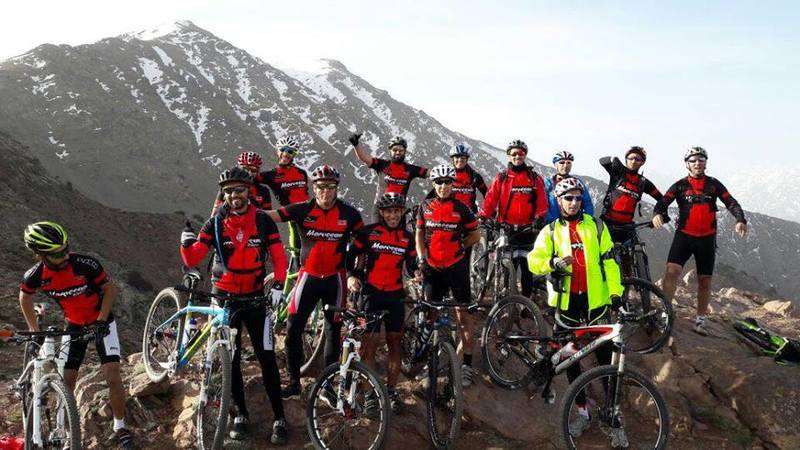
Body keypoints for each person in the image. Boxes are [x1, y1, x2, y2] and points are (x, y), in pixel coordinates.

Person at [180, 167, 288, 444]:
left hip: (255, 299)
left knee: (266, 358)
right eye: (228, 191)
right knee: (232, 358)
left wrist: (277, 286)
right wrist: (186, 242)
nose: (234, 196)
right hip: (224, 298)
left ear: (249, 191)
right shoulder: (215, 222)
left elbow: (278, 257)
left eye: (239, 190)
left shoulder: (263, 221)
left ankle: (279, 417)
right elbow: (193, 259)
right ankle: (240, 414)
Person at [19, 221, 134, 448]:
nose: (64, 256)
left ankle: (120, 427)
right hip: (74, 326)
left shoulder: (84, 263)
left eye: (65, 249)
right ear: (40, 254)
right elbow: (24, 297)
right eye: (56, 254)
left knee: (112, 375)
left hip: (102, 322)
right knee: (67, 381)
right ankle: (64, 429)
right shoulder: (35, 275)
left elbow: (109, 288)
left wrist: (101, 319)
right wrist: (34, 330)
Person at [527, 178, 623, 439]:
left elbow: (610, 262)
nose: (573, 202)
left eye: (578, 198)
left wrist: (616, 292)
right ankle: (582, 412)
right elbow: (533, 261)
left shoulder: (597, 226)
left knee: (605, 356)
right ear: (558, 201)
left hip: (597, 301)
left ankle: (613, 415)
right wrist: (553, 262)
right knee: (571, 359)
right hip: (566, 302)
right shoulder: (550, 231)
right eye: (568, 198)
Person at [264, 165, 364, 399]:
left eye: (330, 188)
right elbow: (272, 216)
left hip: (335, 279)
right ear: (314, 188)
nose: (326, 193)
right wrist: (243, 209)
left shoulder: (350, 214)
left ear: (337, 188)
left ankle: (327, 384)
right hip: (308, 276)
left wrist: (354, 273)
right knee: (293, 329)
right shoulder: (302, 210)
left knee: (332, 330)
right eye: (321, 188)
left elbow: (363, 243)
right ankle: (294, 383)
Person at [652, 147, 747, 336]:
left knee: (704, 281)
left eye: (701, 160)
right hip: (684, 236)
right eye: (694, 160)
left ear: (706, 162)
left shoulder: (714, 185)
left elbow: (731, 202)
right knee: (671, 273)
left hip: (707, 239)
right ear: (687, 164)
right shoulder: (679, 186)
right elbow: (663, 203)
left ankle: (701, 320)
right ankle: (666, 313)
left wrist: (740, 219)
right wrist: (657, 214)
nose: (698, 163)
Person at [348, 192, 419, 413]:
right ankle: (369, 394)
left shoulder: (407, 238)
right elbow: (350, 257)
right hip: (371, 294)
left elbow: (411, 264)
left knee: (394, 344)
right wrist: (352, 276)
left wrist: (417, 273)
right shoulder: (368, 233)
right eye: (388, 211)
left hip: (395, 295)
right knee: (370, 343)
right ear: (382, 213)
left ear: (401, 213)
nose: (393, 215)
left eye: (397, 211)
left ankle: (390, 391)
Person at [417, 164, 481, 387]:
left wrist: (461, 246)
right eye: (439, 182)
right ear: (433, 184)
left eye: (447, 182)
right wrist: (421, 257)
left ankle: (467, 365)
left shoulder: (462, 208)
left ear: (453, 184)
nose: (443, 186)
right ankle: (427, 360)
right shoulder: (425, 206)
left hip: (456, 267)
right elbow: (419, 231)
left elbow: (476, 234)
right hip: (433, 268)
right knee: (429, 315)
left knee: (464, 315)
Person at [479, 139, 548, 298]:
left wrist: (539, 218)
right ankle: (506, 303)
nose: (518, 156)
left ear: (525, 156)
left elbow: (542, 202)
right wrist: (483, 216)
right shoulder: (502, 178)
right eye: (514, 154)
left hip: (528, 230)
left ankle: (526, 303)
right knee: (507, 268)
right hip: (507, 229)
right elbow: (490, 200)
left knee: (526, 269)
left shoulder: (534, 177)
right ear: (509, 156)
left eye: (521, 153)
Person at [598, 146, 663, 275]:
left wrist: (658, 214)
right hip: (607, 222)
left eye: (638, 159)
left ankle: (630, 286)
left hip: (626, 225)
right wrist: (613, 159)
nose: (634, 161)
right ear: (626, 159)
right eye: (631, 158)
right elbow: (602, 161)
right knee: (601, 255)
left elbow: (662, 199)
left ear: (643, 162)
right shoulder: (617, 172)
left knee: (627, 258)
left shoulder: (643, 182)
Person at [259, 136, 310, 251]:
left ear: (294, 155)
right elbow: (251, 178)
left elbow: (306, 193)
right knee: (297, 242)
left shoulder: (302, 173)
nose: (286, 154)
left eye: (290, 151)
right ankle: (296, 264)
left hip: (309, 211)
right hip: (291, 214)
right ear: (277, 151)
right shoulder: (271, 175)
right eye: (282, 150)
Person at [349, 132, 428, 203]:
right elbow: (364, 158)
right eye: (395, 150)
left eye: (401, 150)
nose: (398, 152)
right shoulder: (381, 164)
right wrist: (356, 145)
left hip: (399, 210)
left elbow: (430, 173)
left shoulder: (410, 169)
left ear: (405, 152)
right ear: (390, 151)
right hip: (380, 208)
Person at [544, 150, 594, 223]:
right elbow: (542, 204)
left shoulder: (577, 183)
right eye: (561, 162)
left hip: (574, 224)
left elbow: (587, 203)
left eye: (569, 163)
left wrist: (586, 219)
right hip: (552, 224)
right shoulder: (548, 183)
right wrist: (549, 220)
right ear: (555, 165)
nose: (565, 165)